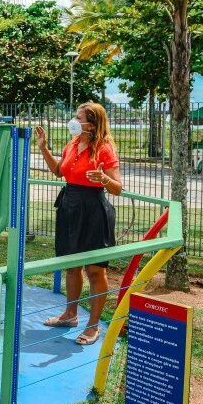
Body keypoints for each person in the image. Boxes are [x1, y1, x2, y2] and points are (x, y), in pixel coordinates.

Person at [34, 102, 122, 346]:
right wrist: (44, 149)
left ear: (91, 124)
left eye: (78, 117)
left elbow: (117, 188)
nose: (73, 120)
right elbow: (59, 172)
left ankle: (93, 326)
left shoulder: (104, 149)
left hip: (93, 209)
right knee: (71, 266)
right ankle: (70, 315)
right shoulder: (72, 143)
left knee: (95, 270)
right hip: (70, 206)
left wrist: (104, 178)